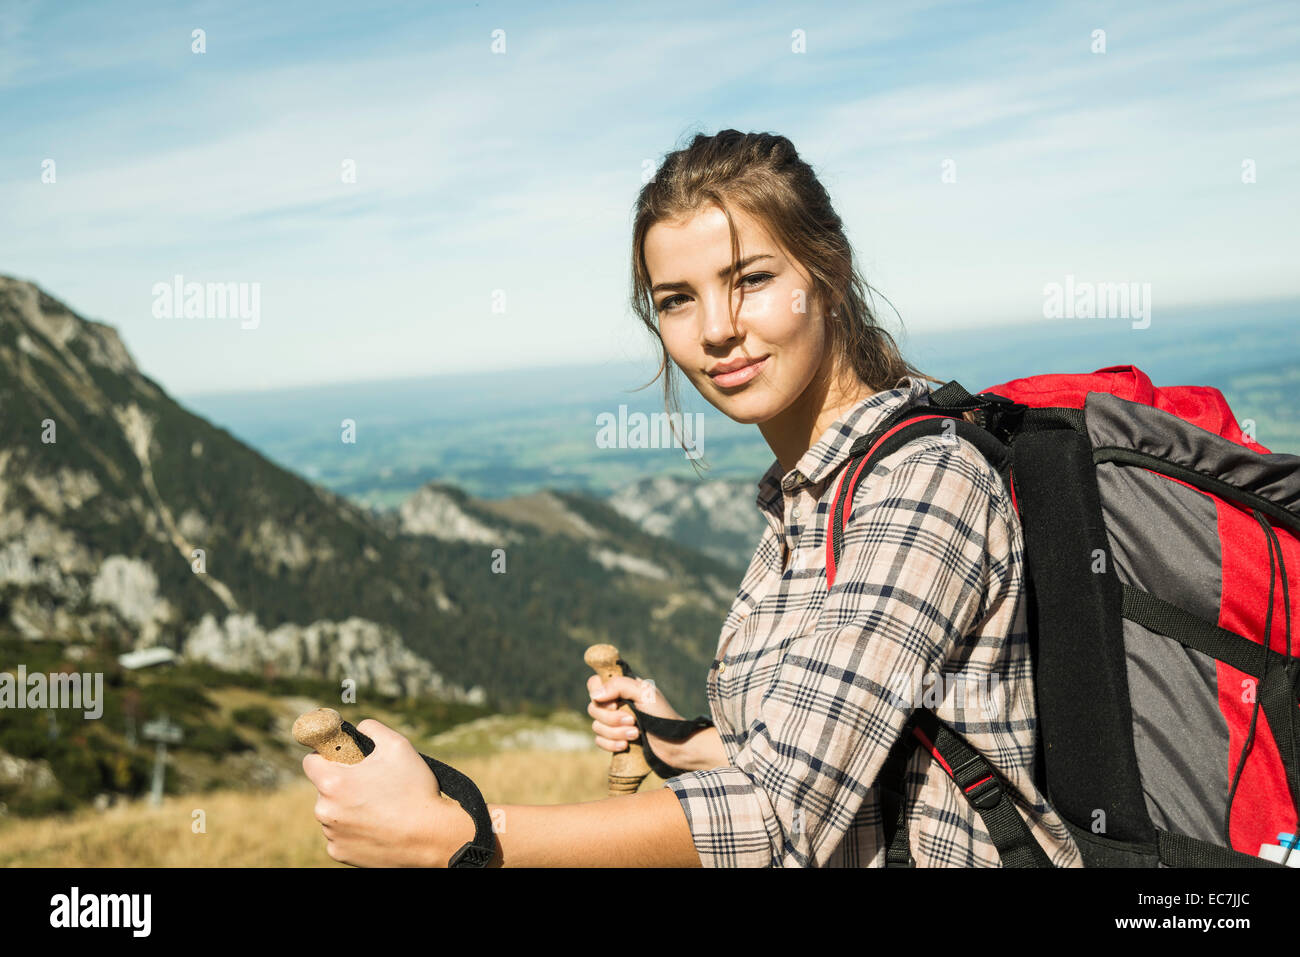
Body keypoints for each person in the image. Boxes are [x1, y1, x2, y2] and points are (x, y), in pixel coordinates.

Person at [302, 129, 1082, 867]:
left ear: (829, 271)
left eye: (750, 280)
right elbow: (849, 751)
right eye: (677, 299)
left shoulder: (922, 484)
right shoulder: (813, 494)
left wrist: (461, 833)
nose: (716, 328)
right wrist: (687, 741)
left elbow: (779, 815)